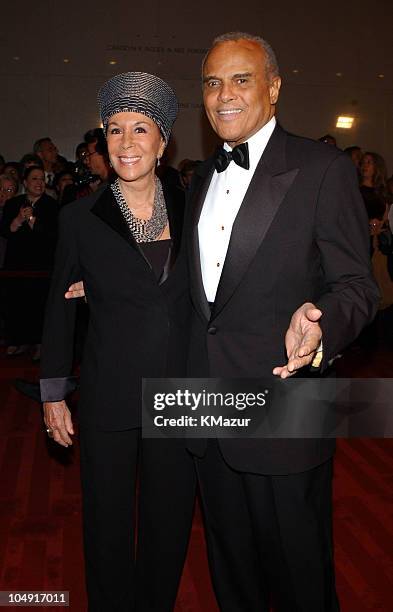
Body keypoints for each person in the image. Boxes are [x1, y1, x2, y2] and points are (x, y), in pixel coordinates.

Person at [183, 32, 378, 612]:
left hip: (286, 407)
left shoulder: (322, 169)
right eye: (213, 82)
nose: (224, 95)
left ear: (273, 87)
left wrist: (322, 324)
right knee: (232, 577)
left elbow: (357, 286)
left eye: (241, 79)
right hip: (209, 413)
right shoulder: (198, 178)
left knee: (300, 582)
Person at [39, 72, 196, 612]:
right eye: (114, 131)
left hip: (179, 391)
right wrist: (54, 390)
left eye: (140, 129)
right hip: (109, 391)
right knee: (106, 520)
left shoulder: (193, 206)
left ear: (163, 140)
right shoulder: (79, 218)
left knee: (169, 518)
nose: (126, 143)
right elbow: (59, 305)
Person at [0, 166, 58, 359]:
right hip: (16, 263)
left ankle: (40, 343)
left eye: (42, 179)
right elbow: (6, 232)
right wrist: (18, 219)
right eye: (34, 179)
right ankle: (17, 341)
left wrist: (32, 219)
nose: (39, 183)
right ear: (25, 183)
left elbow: (52, 235)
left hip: (41, 264)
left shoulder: (51, 205)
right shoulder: (13, 203)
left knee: (39, 305)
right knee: (16, 302)